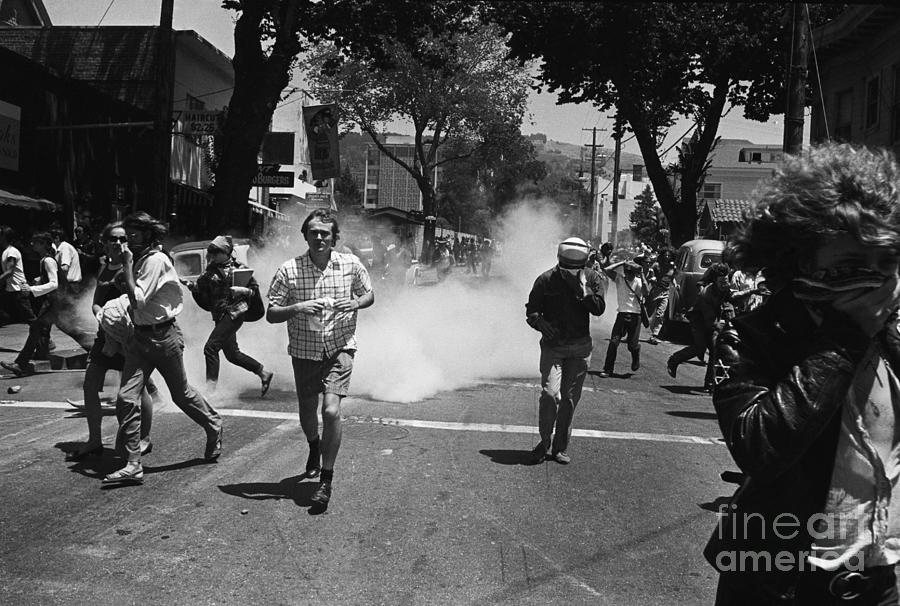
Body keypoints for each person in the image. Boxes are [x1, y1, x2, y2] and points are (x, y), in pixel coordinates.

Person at [705, 143, 900, 605]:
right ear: (803, 261)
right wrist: (844, 340)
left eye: (886, 263)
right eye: (851, 265)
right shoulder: (755, 333)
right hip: (779, 576)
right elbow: (760, 447)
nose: (872, 280)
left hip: (882, 581)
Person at [103, 212, 223, 485]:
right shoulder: (140, 260)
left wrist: (127, 266)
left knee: (181, 395)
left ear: (148, 235)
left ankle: (214, 424)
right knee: (126, 398)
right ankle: (133, 463)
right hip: (139, 338)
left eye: (134, 234)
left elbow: (138, 301)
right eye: (127, 234)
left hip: (163, 337)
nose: (129, 239)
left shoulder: (155, 260)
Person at [267, 209, 375, 509]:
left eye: (324, 233)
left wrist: (354, 302)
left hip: (340, 347)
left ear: (334, 237)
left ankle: (326, 480)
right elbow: (271, 313)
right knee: (307, 408)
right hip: (304, 350)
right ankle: (313, 445)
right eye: (313, 232)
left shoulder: (350, 264)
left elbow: (369, 295)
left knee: (330, 411)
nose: (318, 237)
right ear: (305, 235)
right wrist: (298, 307)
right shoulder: (289, 270)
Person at [68, 222, 158, 461]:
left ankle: (144, 438)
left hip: (130, 337)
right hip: (105, 335)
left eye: (122, 239)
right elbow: (96, 301)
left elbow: (140, 300)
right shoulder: (104, 267)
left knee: (138, 389)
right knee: (90, 385)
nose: (118, 243)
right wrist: (103, 316)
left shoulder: (134, 266)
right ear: (105, 243)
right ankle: (95, 441)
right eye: (114, 239)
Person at [525, 237, 605, 464]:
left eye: (576, 268)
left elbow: (599, 309)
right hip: (554, 348)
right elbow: (531, 311)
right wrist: (540, 323)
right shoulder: (545, 280)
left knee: (569, 400)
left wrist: (584, 291)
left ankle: (559, 447)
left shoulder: (592, 277)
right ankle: (544, 441)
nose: (570, 272)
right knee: (550, 394)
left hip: (580, 348)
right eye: (566, 268)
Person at [187, 235, 274, 395]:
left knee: (210, 348)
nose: (212, 255)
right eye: (211, 252)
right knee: (232, 354)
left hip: (235, 313)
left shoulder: (240, 268)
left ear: (226, 252)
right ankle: (263, 372)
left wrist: (244, 291)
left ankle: (210, 390)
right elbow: (201, 288)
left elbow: (254, 290)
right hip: (220, 315)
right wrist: (193, 288)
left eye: (216, 252)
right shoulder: (210, 271)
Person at [1, 232, 94, 377]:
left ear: (44, 244)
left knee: (38, 328)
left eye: (36, 242)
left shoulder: (48, 261)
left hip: (55, 302)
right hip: (55, 301)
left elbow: (54, 283)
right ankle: (95, 350)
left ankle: (20, 363)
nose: (32, 245)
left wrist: (32, 289)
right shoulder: (46, 259)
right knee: (66, 329)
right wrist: (39, 281)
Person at [665, 262, 732, 391]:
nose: (725, 283)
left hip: (711, 316)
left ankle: (710, 383)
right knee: (700, 347)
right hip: (699, 319)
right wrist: (720, 328)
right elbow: (710, 319)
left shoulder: (724, 285)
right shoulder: (706, 291)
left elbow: (729, 299)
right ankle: (674, 360)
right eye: (722, 281)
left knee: (714, 349)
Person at [598, 258, 648, 377]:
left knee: (632, 345)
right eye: (626, 272)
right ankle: (608, 369)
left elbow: (646, 292)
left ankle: (636, 352)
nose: (628, 275)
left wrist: (641, 274)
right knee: (614, 342)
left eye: (631, 272)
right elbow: (606, 269)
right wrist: (622, 262)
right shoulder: (620, 279)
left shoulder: (639, 281)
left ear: (635, 273)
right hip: (621, 314)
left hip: (635, 316)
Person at [0, 226, 31, 327]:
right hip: (11, 289)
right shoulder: (6, 251)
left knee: (30, 318)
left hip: (19, 290)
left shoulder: (11, 252)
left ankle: (46, 340)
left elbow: (9, 271)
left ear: (4, 237)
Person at [647, 250, 675, 344]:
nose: (667, 256)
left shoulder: (672, 267)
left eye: (669, 255)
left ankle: (654, 335)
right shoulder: (656, 265)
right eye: (665, 255)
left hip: (665, 292)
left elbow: (672, 278)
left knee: (660, 314)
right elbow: (649, 274)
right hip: (656, 291)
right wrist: (652, 278)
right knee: (648, 313)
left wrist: (675, 285)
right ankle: (631, 332)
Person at [52, 227, 83, 294]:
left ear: (57, 238)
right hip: (68, 285)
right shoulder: (62, 248)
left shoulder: (64, 247)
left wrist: (51, 272)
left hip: (70, 286)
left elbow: (65, 268)